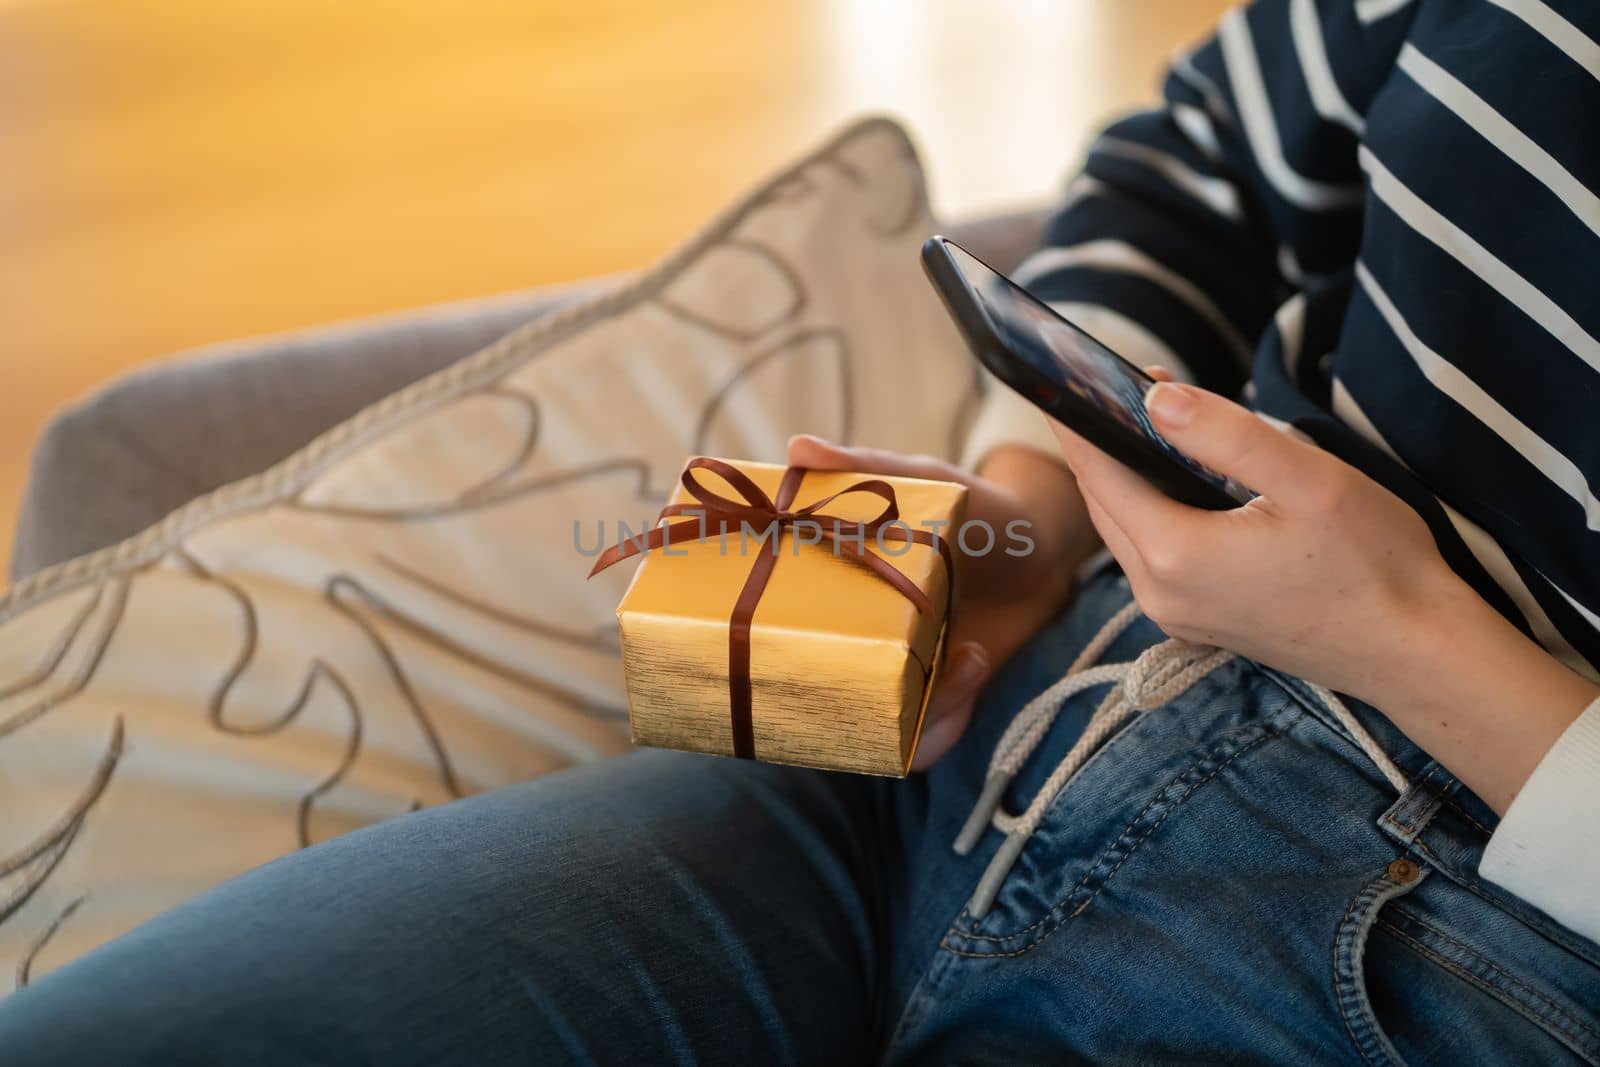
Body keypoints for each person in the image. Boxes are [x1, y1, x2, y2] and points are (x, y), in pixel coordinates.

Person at [3, 0, 1598, 1061]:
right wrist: (1020, 521)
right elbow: (1202, 168)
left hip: (1475, 974)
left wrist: (1412, 644)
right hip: (993, 749)